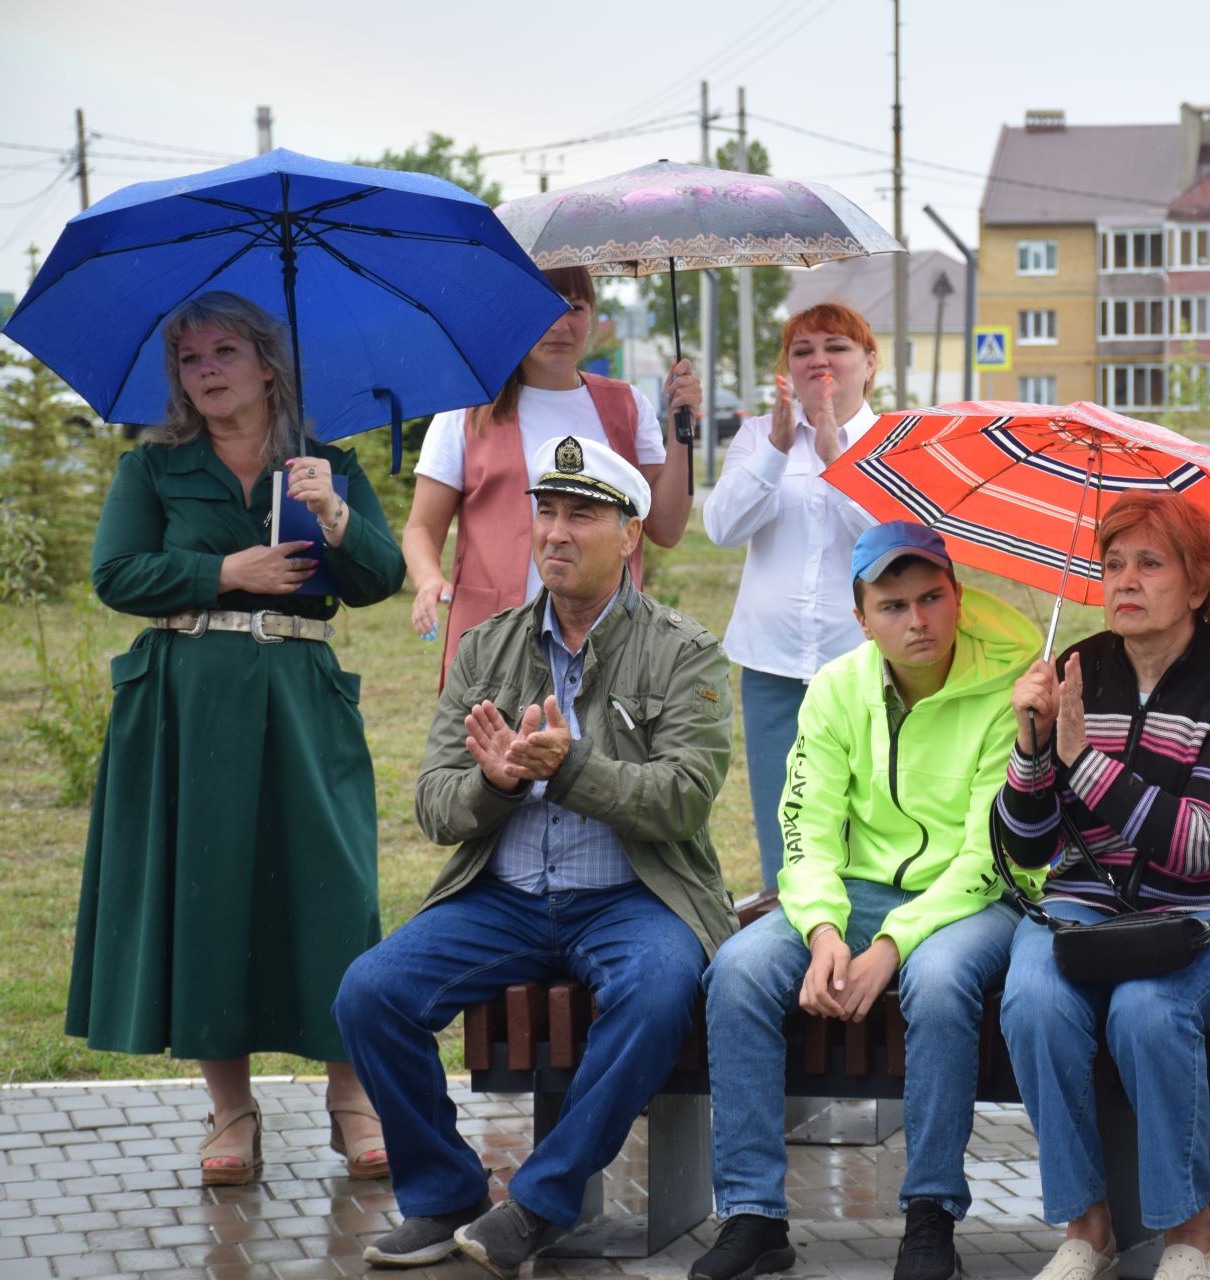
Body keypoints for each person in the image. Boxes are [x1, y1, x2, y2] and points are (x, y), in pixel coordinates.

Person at [335, 436, 737, 1277]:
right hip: (506, 897)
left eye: (580, 515)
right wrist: (500, 784)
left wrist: (574, 768)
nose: (555, 532)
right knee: (370, 993)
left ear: (630, 535)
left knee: (660, 987)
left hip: (633, 895)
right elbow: (435, 806)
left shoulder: (683, 648)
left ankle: (540, 1206)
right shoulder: (486, 647)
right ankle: (446, 1195)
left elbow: (685, 799)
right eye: (545, 512)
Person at [66, 291, 405, 1185]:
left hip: (302, 694)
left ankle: (352, 1098)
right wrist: (224, 569)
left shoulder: (325, 464)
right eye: (189, 359)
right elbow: (115, 572)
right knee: (208, 887)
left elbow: (380, 579)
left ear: (266, 363)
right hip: (189, 700)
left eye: (223, 353)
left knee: (335, 888)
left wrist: (332, 513)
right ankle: (231, 1111)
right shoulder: (154, 470)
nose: (206, 371)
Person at [689, 522, 1038, 1280]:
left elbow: (989, 853)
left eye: (931, 598)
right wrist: (821, 929)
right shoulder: (836, 689)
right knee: (740, 970)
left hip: (970, 903)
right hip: (852, 895)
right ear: (861, 618)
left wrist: (892, 946)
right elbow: (805, 826)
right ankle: (753, 1215)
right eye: (892, 606)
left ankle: (930, 1215)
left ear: (956, 594)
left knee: (940, 983)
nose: (917, 621)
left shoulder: (1008, 689)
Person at [996, 491, 1210, 1280]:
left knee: (1148, 1006)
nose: (1125, 581)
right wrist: (1032, 746)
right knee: (1032, 998)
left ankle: (1190, 1234)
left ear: (1200, 584)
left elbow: (1198, 847)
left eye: (1150, 564)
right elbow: (1029, 845)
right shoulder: (1078, 669)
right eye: (1113, 564)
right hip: (1090, 907)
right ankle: (1087, 1226)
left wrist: (1083, 762)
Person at [403, 265, 699, 681]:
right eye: (542, 307)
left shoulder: (627, 407)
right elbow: (420, 527)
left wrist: (681, 428)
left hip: (605, 650)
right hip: (494, 648)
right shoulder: (467, 411)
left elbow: (665, 529)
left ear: (592, 315)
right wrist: (428, 579)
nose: (560, 324)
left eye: (574, 307)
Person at [701, 303, 883, 889]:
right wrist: (778, 450)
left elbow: (897, 548)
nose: (819, 359)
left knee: (866, 810)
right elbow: (722, 529)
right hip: (772, 664)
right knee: (782, 813)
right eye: (802, 350)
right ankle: (789, 930)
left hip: (864, 662)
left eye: (837, 346)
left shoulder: (888, 443)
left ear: (869, 363)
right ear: (787, 367)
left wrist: (836, 459)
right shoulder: (758, 435)